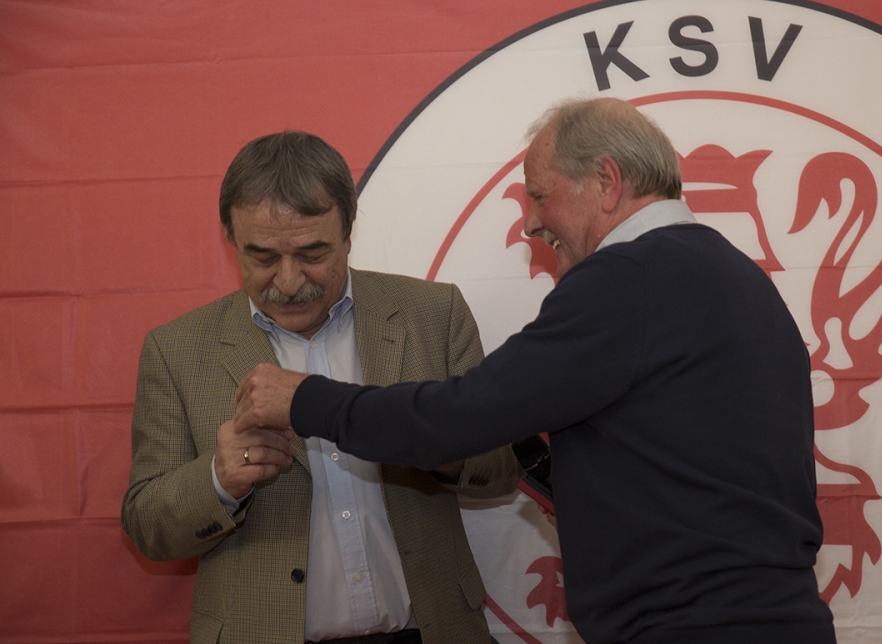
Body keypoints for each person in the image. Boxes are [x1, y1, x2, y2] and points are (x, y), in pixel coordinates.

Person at [234, 98, 838, 644]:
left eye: (539, 195)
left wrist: (306, 399)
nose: (529, 222)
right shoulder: (741, 279)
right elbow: (702, 461)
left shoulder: (623, 278)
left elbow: (454, 420)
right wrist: (586, 495)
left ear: (606, 182)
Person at [120, 131, 522, 644]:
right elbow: (146, 525)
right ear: (230, 239)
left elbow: (504, 466)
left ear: (349, 233)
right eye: (263, 257)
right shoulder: (176, 349)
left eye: (312, 253)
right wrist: (218, 479)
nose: (289, 282)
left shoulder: (432, 315)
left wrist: (436, 443)